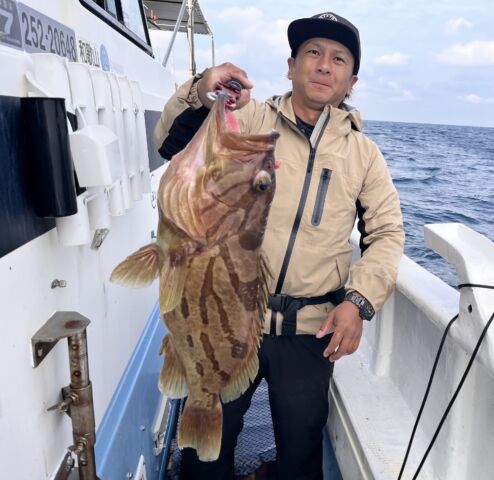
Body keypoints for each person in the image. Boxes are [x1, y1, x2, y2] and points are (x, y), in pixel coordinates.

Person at [154, 12, 404, 480]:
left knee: (301, 455)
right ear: (291, 66)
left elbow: (387, 233)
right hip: (228, 316)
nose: (324, 65)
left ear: (351, 82)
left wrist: (359, 301)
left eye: (339, 59)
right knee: (205, 455)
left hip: (310, 330)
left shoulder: (364, 155)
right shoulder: (248, 119)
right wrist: (203, 90)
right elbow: (170, 143)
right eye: (313, 53)